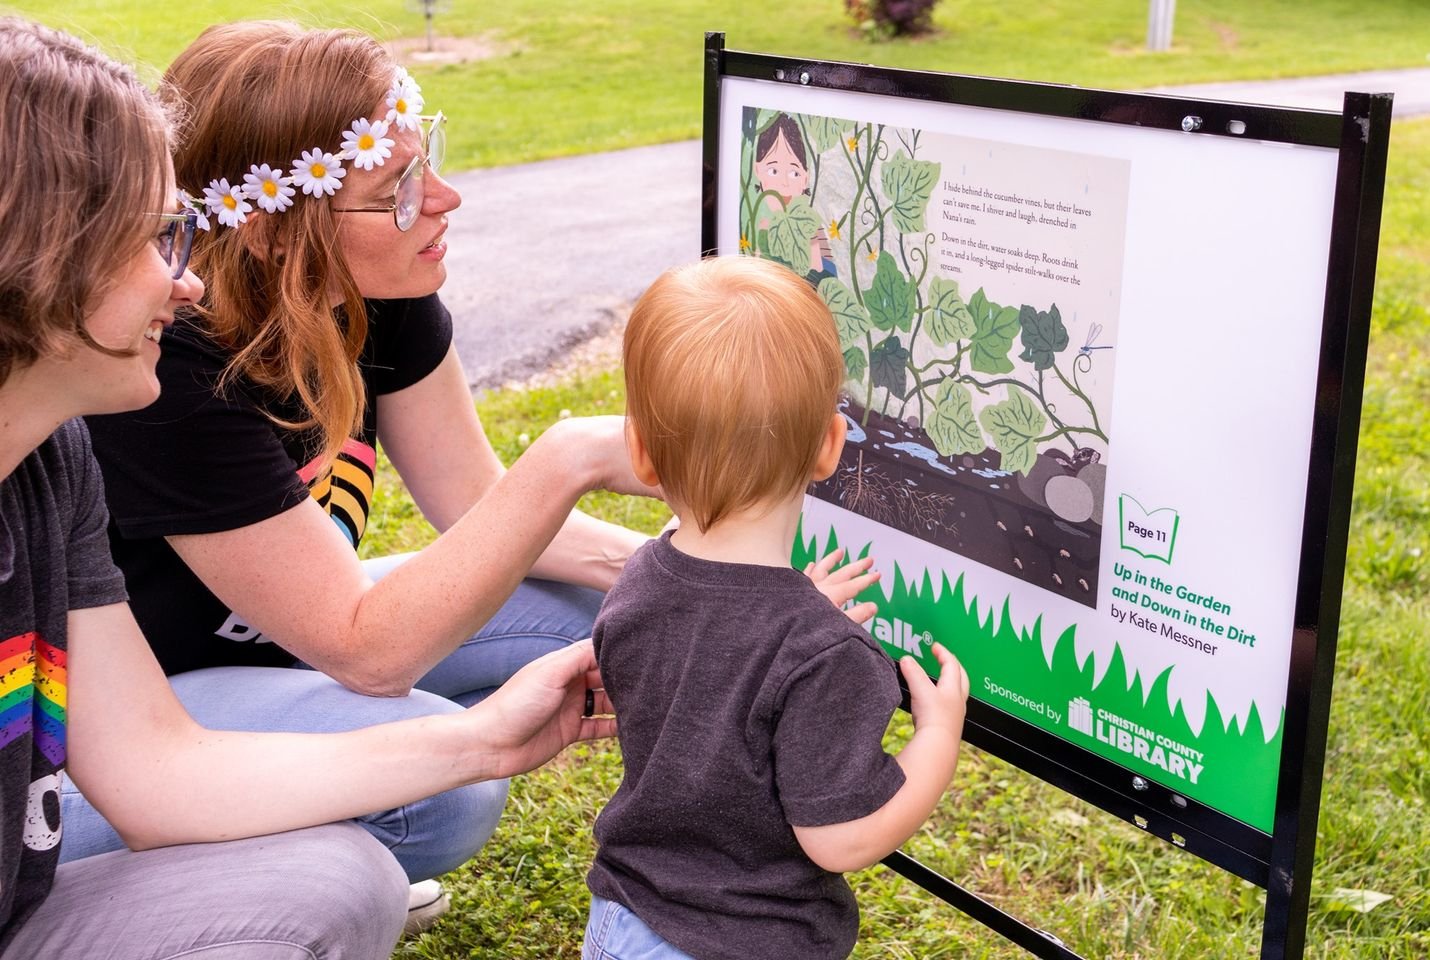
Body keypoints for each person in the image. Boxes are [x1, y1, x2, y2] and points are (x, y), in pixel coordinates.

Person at [64, 19, 879, 922]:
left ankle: (312, 813)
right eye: (396, 189)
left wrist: (728, 587)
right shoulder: (173, 366)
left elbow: (480, 509)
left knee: (610, 606)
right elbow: (370, 649)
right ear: (271, 230)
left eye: (429, 160)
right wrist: (572, 453)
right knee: (447, 792)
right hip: (146, 706)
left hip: (283, 631)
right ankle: (270, 861)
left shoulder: (380, 295)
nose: (444, 199)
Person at [0, 17, 620, 958]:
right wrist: (569, 457)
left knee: (349, 875)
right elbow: (368, 650)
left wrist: (494, 732)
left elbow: (155, 768)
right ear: (41, 259)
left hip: (140, 729)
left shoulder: (51, 459)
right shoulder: (163, 389)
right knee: (424, 806)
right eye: (160, 238)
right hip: (176, 700)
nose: (189, 281)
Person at [583, 257, 971, 960]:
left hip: (624, 923)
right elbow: (842, 839)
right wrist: (938, 738)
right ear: (829, 445)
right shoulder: (825, 655)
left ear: (640, 453)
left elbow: (711, 661)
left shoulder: (638, 579)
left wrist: (792, 615)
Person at [753, 113, 837, 278]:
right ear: (758, 170)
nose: (784, 183)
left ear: (805, 178)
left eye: (794, 173)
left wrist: (811, 244)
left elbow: (826, 278)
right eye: (773, 171)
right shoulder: (762, 226)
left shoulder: (810, 224)